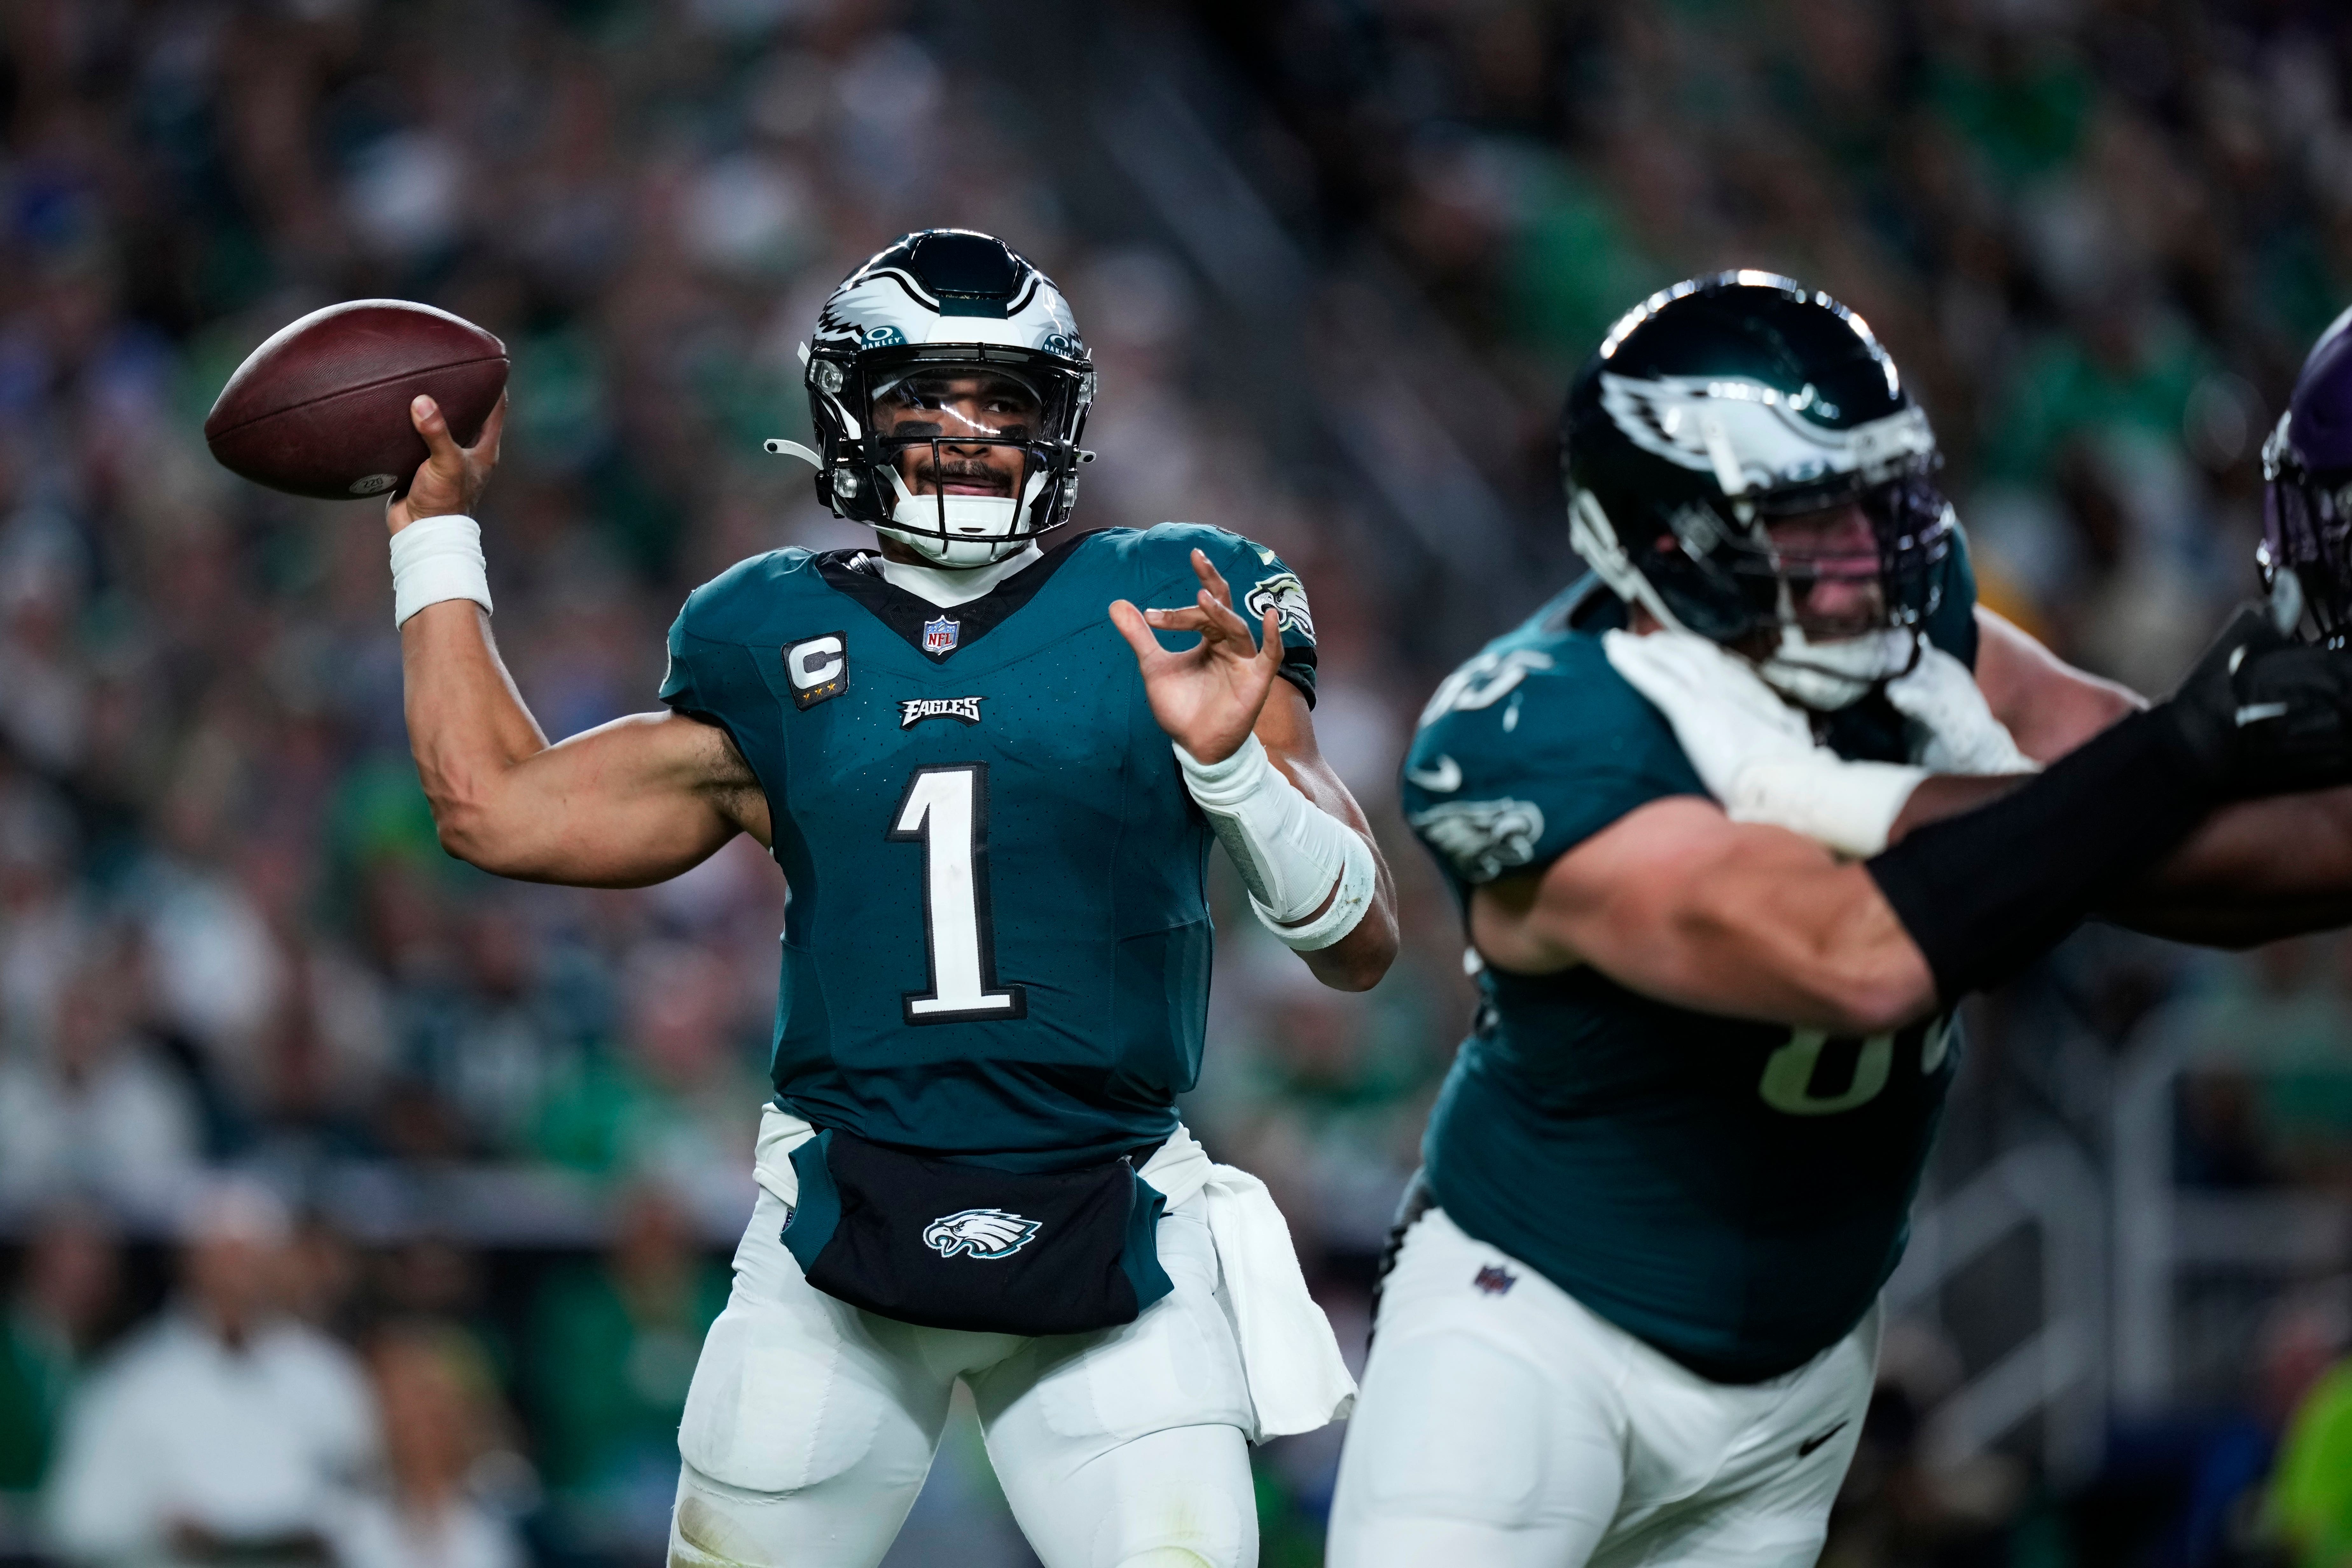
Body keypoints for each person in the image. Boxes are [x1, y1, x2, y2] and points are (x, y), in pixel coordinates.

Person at [381, 228, 1397, 1568]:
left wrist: (1235, 773)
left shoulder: (1167, 595)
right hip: (837, 1241)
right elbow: (491, 805)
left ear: (1064, 422)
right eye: (928, 395)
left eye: (1007, 401)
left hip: (1110, 1231)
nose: (971, 434)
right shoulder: (760, 631)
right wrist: (433, 534)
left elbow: (1357, 940)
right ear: (849, 411)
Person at [1327, 272, 2352, 1568]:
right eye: (1814, 525)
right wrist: (2194, 742)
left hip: (1793, 1389)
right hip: (1533, 1334)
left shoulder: (1908, 639)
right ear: (1669, 533)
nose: (1869, 564)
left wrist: (2235, 747)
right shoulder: (1534, 731)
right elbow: (1852, 953)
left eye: (1878, 508)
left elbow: (2168, 838)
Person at [44, 1178, 377, 1567]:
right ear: (190, 1263)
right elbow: (77, 1521)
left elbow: (370, 1496)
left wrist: (323, 1526)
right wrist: (159, 1528)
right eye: (222, 1257)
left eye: (250, 1257)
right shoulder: (131, 1380)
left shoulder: (329, 1374)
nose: (236, 1274)